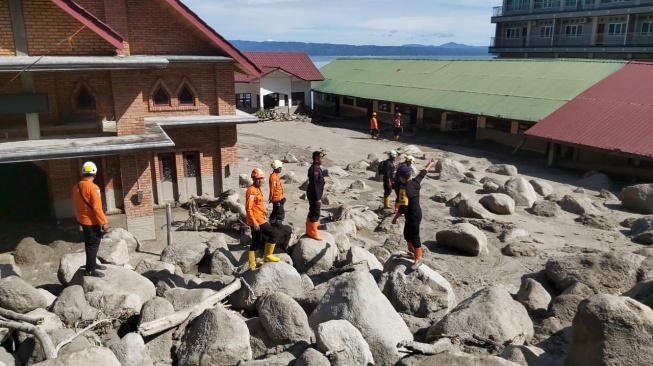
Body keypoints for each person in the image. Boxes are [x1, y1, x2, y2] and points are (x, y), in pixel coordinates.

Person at [392, 158, 436, 270]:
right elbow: (423, 173)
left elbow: (403, 209)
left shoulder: (403, 191)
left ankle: (418, 258)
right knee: (407, 234)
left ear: (401, 178)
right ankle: (412, 253)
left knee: (415, 237)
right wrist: (430, 164)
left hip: (413, 215)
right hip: (415, 214)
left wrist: (395, 218)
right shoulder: (416, 182)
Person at [73, 161, 109, 278]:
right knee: (93, 244)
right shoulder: (93, 188)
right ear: (94, 173)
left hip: (83, 220)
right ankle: (90, 269)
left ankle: (92, 264)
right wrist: (103, 222)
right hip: (91, 221)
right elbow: (97, 208)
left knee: (89, 244)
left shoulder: (76, 186)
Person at [246, 168, 280, 270]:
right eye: (258, 179)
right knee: (273, 234)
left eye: (262, 178)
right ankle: (267, 256)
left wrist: (264, 210)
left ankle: (252, 264)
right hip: (257, 220)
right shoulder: (251, 190)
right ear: (253, 178)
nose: (261, 180)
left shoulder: (258, 189)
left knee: (255, 241)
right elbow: (249, 208)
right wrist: (254, 222)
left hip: (259, 218)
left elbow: (259, 204)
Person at [306, 151, 325, 240]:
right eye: (322, 158)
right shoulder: (315, 170)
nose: (323, 160)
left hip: (313, 193)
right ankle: (313, 232)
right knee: (315, 213)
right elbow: (314, 185)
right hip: (314, 195)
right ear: (317, 159)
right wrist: (318, 198)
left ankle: (309, 230)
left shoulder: (316, 168)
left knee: (312, 211)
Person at [268, 160, 286, 227]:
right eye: (280, 167)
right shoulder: (273, 177)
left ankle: (272, 223)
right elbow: (273, 188)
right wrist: (271, 198)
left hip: (278, 198)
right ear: (278, 168)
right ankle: (277, 226)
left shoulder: (276, 176)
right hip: (277, 199)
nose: (281, 169)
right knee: (279, 213)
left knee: (275, 212)